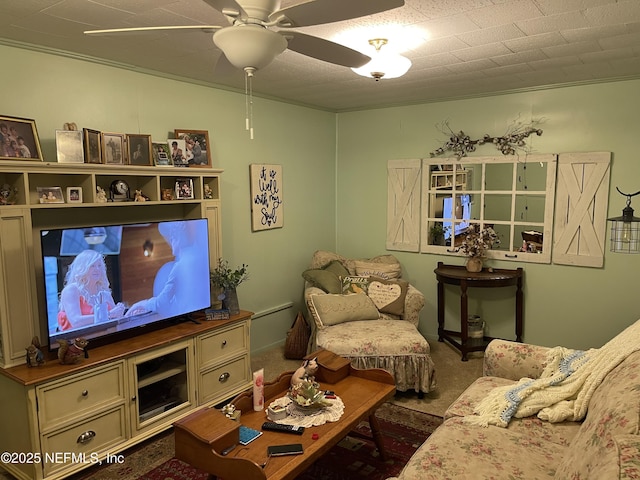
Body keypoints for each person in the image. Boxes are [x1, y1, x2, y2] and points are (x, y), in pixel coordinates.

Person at [125, 220, 208, 319]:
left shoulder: (180, 266)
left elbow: (162, 303)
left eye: (172, 238)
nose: (170, 241)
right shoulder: (197, 257)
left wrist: (143, 304)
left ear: (178, 239)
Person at [57, 250, 126, 331]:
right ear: (82, 268)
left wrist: (121, 312)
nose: (97, 269)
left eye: (99, 266)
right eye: (92, 266)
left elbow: (116, 319)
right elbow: (76, 321)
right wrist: (108, 314)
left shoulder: (104, 292)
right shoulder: (71, 290)